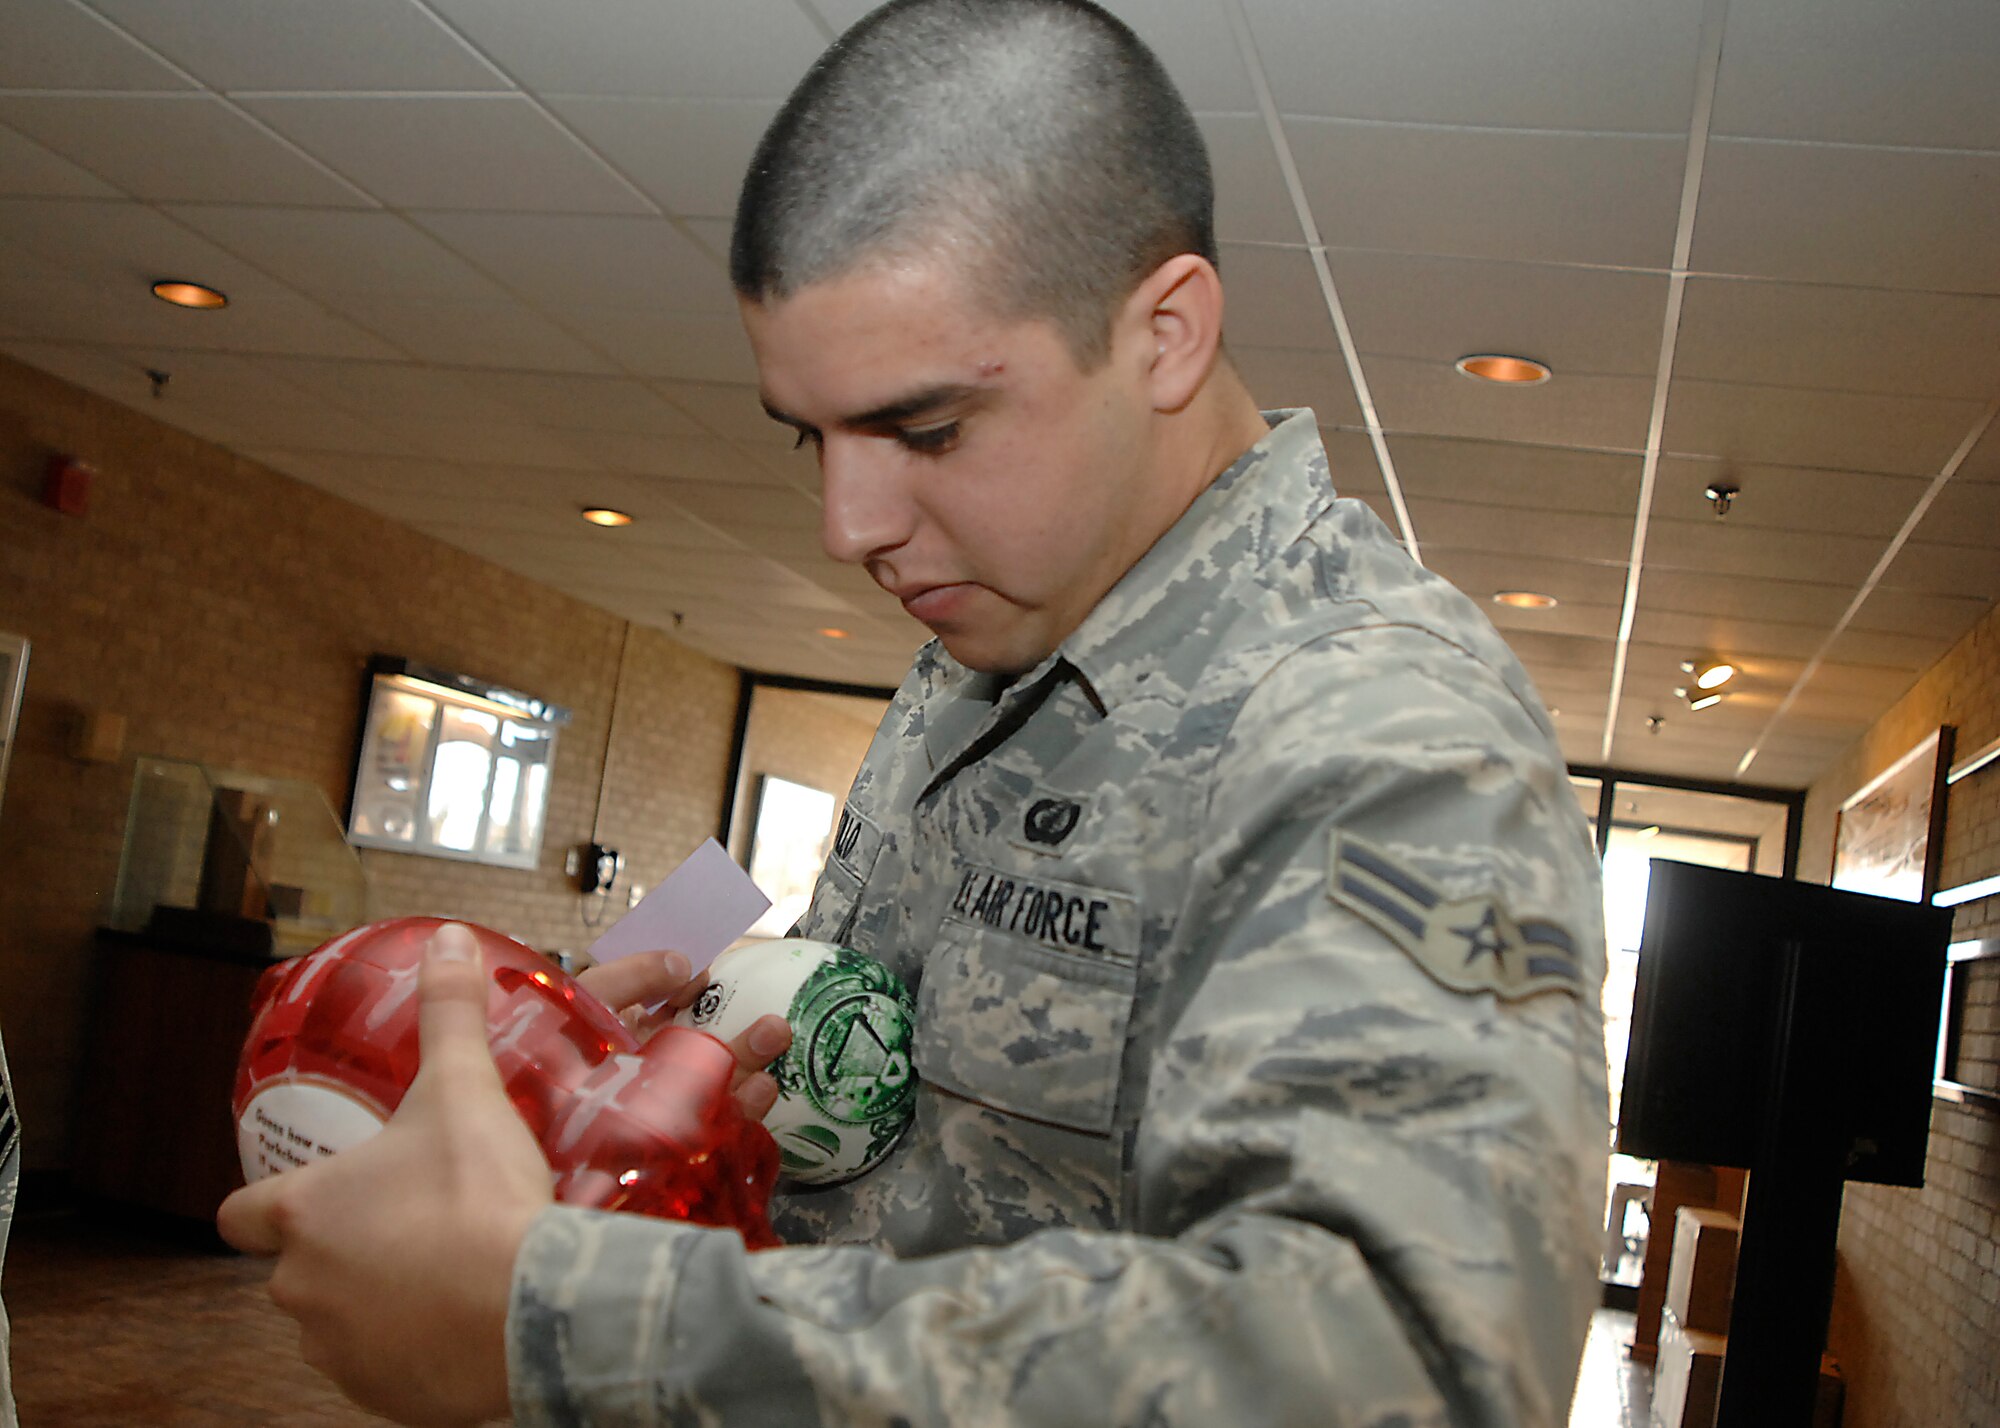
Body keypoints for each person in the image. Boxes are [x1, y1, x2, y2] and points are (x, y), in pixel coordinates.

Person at [221, 2, 1609, 1424]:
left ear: (1168, 335)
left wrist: (567, 1321)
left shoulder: (1379, 723)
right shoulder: (990, 634)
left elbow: (1408, 1368)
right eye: (812, 435)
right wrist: (629, 1051)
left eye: (928, 430)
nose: (847, 525)